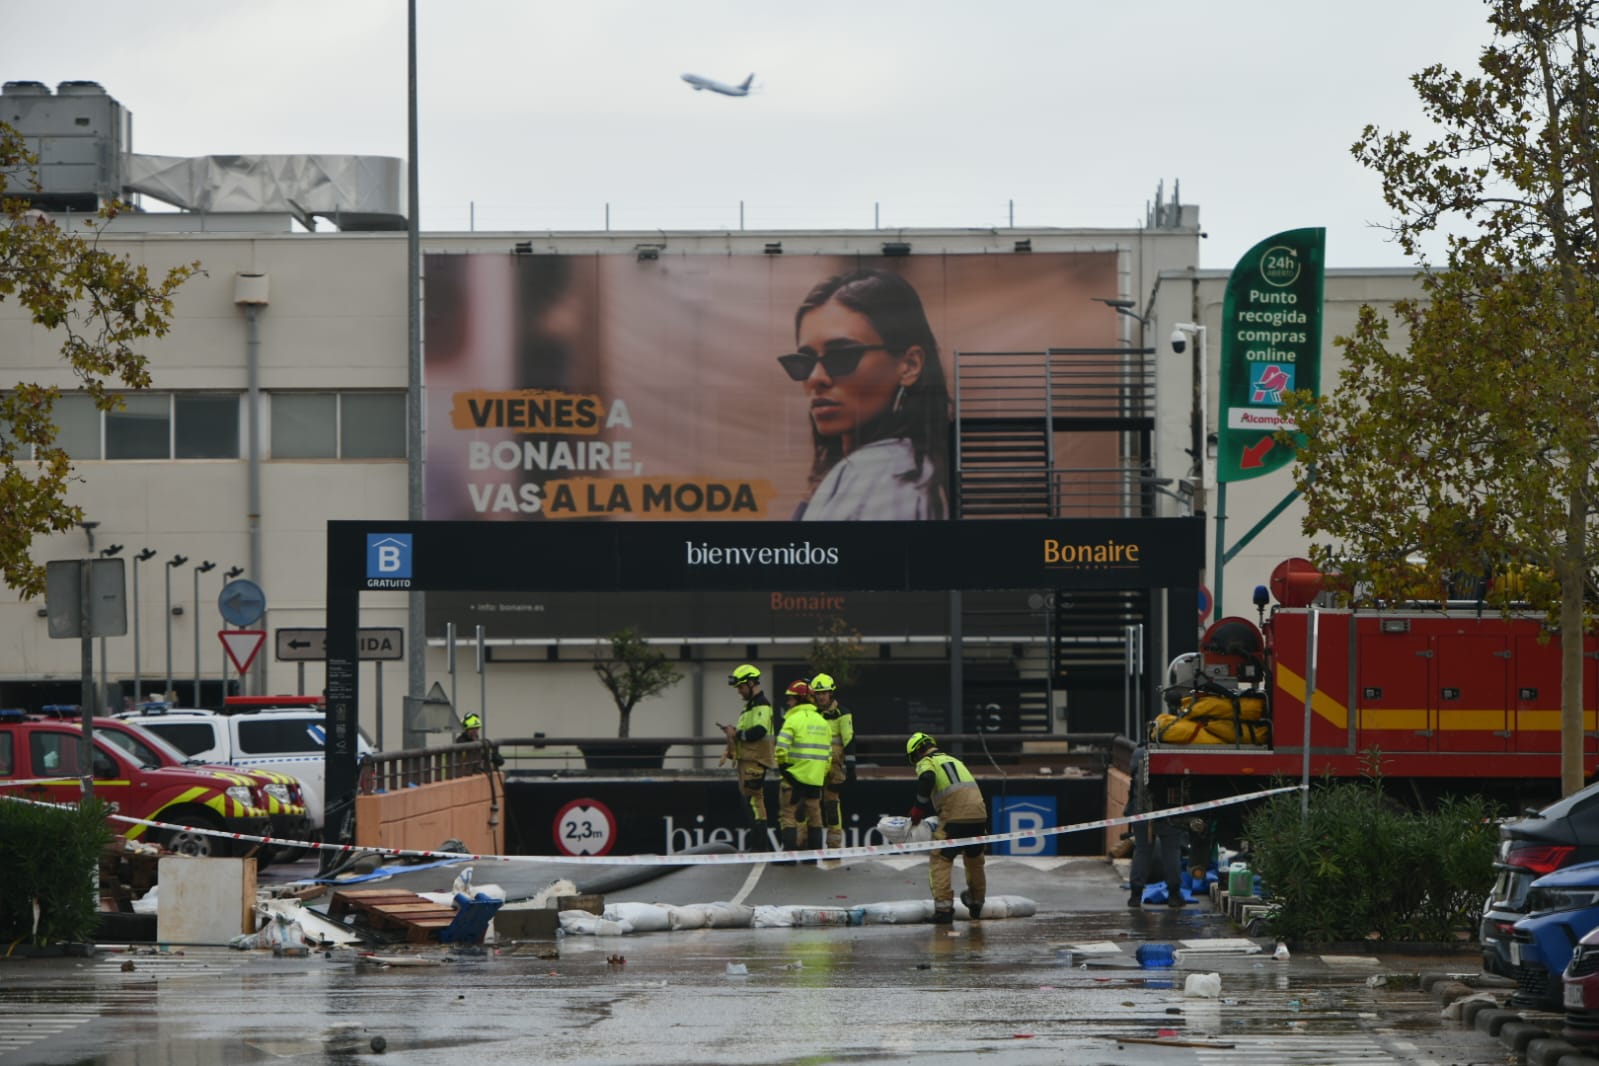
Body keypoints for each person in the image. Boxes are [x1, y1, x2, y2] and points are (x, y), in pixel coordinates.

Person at [780, 269, 951, 520]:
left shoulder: (882, 471)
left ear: (910, 365)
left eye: (842, 356)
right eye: (803, 363)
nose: (815, 378)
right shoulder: (903, 466)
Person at [906, 732, 987, 924]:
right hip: (979, 815)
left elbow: (927, 778)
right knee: (974, 859)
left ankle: (943, 910)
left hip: (955, 816)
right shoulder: (954, 760)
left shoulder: (926, 761)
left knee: (940, 858)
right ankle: (976, 903)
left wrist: (918, 807)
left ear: (918, 751)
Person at [718, 664, 776, 850]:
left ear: (751, 683)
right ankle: (759, 845)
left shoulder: (761, 705)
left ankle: (760, 847)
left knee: (753, 802)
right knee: (751, 802)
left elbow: (759, 730)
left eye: (741, 687)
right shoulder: (751, 707)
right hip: (749, 760)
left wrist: (736, 734)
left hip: (756, 761)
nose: (739, 692)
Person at [773, 680, 832, 857]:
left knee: (788, 817)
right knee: (815, 818)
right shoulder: (823, 722)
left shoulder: (792, 720)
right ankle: (813, 858)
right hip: (815, 782)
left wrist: (784, 769)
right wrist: (818, 775)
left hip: (792, 780)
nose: (788, 702)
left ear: (799, 699)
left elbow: (780, 749)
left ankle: (789, 858)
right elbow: (828, 757)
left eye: (791, 699)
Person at [1125, 742, 1184, 908]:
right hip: (1169, 810)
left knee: (1142, 850)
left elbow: (1132, 774)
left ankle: (1135, 895)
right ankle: (1174, 895)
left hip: (1141, 809)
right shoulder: (1174, 751)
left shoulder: (1138, 753)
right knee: (1172, 851)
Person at [810, 672, 855, 849]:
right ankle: (808, 844)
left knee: (831, 804)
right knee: (810, 804)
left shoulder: (843, 713)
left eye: (824, 693)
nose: (821, 697)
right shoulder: (811, 714)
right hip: (813, 766)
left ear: (831, 693)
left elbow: (849, 740)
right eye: (818, 693)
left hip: (833, 767)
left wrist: (851, 768)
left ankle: (834, 845)